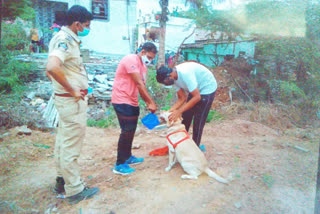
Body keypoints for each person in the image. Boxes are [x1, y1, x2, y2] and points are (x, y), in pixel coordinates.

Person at [46, 5, 99, 205]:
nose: (87, 28)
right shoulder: (65, 40)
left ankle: (62, 180)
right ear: (77, 23)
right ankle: (75, 189)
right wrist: (72, 89)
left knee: (63, 139)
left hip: (65, 100)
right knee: (71, 145)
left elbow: (51, 68)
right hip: (71, 101)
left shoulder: (60, 38)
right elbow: (51, 67)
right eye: (86, 25)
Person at [111, 42, 158, 175]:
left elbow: (140, 86)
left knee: (131, 130)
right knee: (126, 130)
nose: (149, 60)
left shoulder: (143, 67)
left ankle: (128, 156)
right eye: (148, 57)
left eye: (152, 59)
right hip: (121, 100)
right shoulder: (130, 59)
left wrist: (148, 103)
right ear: (142, 52)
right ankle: (119, 164)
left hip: (132, 101)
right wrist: (150, 102)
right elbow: (138, 82)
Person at [156, 61, 217, 149]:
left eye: (165, 82)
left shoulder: (185, 74)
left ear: (169, 76)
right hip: (195, 89)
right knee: (186, 117)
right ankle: (183, 143)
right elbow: (182, 98)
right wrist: (169, 112)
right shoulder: (173, 78)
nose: (166, 84)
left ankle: (195, 148)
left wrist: (179, 111)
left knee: (198, 121)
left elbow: (197, 97)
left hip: (207, 87)